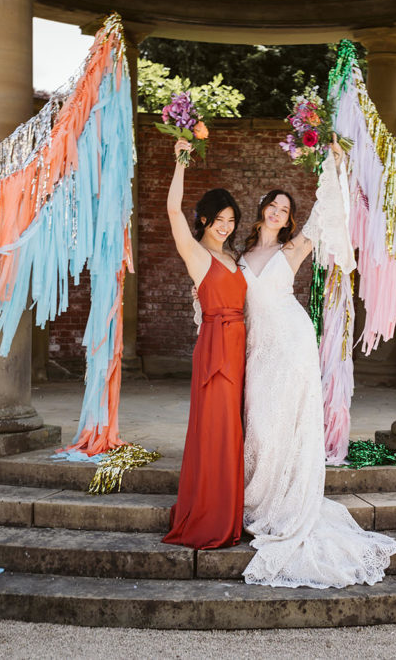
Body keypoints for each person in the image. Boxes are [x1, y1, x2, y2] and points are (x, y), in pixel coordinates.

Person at [238, 141, 396, 588]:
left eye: (285, 209)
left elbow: (327, 213)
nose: (278, 212)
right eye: (273, 205)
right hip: (258, 348)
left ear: (289, 220)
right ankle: (261, 498)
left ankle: (286, 505)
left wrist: (338, 166)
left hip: (291, 343)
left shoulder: (293, 251)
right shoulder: (239, 257)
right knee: (261, 425)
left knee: (284, 422)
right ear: (263, 211)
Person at [161, 139, 246, 550]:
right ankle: (210, 515)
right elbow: (173, 211)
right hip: (215, 353)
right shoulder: (197, 255)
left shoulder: (234, 257)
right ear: (205, 219)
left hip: (240, 350)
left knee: (232, 432)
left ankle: (229, 512)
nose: (225, 225)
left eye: (231, 219)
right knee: (215, 431)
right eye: (218, 218)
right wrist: (180, 162)